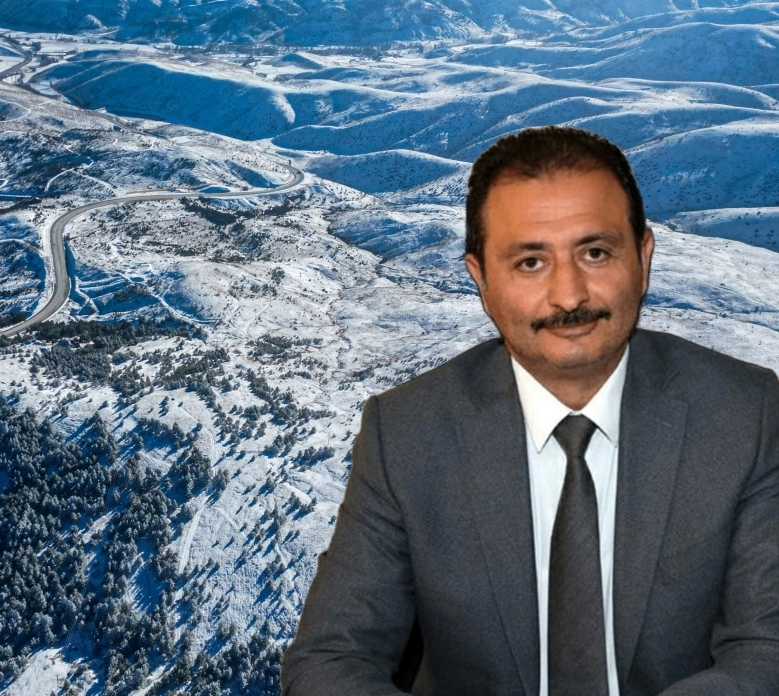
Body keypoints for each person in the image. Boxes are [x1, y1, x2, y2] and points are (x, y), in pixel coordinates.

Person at [280, 125, 779, 696]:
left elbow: (767, 648)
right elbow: (330, 660)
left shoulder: (746, 412)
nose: (569, 296)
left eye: (595, 253)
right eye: (530, 263)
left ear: (643, 258)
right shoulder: (406, 432)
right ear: (481, 280)